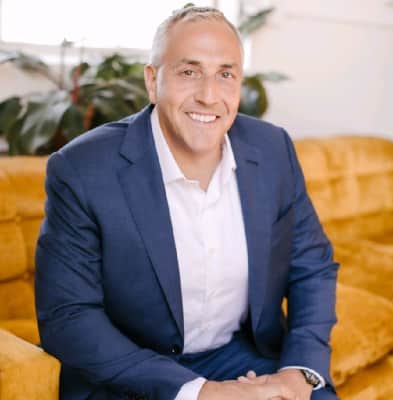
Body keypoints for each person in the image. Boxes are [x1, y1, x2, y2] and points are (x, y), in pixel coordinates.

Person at [35, 6, 339, 400]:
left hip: (239, 356)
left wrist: (299, 372)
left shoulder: (272, 148)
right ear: (152, 80)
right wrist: (201, 392)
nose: (209, 96)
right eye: (189, 72)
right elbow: (68, 315)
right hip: (130, 370)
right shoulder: (82, 168)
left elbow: (312, 266)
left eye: (225, 74)